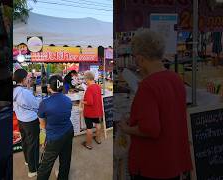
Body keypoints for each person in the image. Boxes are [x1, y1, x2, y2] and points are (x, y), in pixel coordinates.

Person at [118, 29, 193, 180]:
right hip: (173, 161)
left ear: (140, 58)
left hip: (151, 165)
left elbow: (150, 129)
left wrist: (126, 128)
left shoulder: (148, 86)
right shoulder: (176, 79)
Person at [37, 75, 74, 180]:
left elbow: (42, 124)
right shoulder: (67, 100)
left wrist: (44, 136)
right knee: (65, 159)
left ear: (49, 87)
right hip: (68, 131)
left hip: (54, 137)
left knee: (46, 164)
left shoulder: (45, 103)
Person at [13, 69, 40, 178]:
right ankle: (33, 169)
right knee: (33, 145)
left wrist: (28, 89)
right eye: (28, 77)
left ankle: (28, 161)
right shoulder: (24, 93)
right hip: (30, 121)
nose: (29, 79)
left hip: (21, 120)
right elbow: (36, 104)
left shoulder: (15, 90)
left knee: (25, 141)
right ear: (24, 79)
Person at [81, 71, 103, 150]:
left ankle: (88, 144)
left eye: (85, 79)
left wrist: (82, 101)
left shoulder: (89, 88)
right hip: (97, 111)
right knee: (98, 124)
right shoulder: (98, 86)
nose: (85, 81)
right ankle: (98, 139)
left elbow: (90, 102)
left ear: (87, 79)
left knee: (89, 128)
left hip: (90, 112)